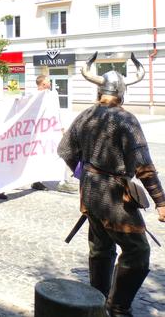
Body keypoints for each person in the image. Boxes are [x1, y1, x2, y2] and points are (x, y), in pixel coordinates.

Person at [57, 52, 165, 317]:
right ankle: (117, 308)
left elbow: (67, 152)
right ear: (122, 94)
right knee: (137, 252)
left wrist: (88, 175)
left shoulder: (85, 115)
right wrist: (161, 201)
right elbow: (143, 166)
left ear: (99, 92)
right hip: (115, 197)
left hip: (91, 193)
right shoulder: (126, 119)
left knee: (101, 246)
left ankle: (98, 299)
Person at [31, 75, 51, 191]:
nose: (50, 83)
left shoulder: (50, 96)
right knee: (35, 156)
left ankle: (38, 180)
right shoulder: (34, 96)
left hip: (46, 130)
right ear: (43, 84)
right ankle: (36, 180)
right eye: (48, 82)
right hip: (35, 132)